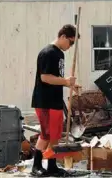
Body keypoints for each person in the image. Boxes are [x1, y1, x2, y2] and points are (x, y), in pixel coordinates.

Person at [31, 24, 80, 177]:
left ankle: (51, 165)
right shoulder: (48, 53)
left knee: (55, 136)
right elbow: (45, 78)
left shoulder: (60, 54)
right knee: (46, 134)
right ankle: (36, 166)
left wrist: (70, 84)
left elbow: (57, 79)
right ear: (63, 36)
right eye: (71, 42)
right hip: (44, 101)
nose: (71, 46)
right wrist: (66, 81)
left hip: (55, 101)